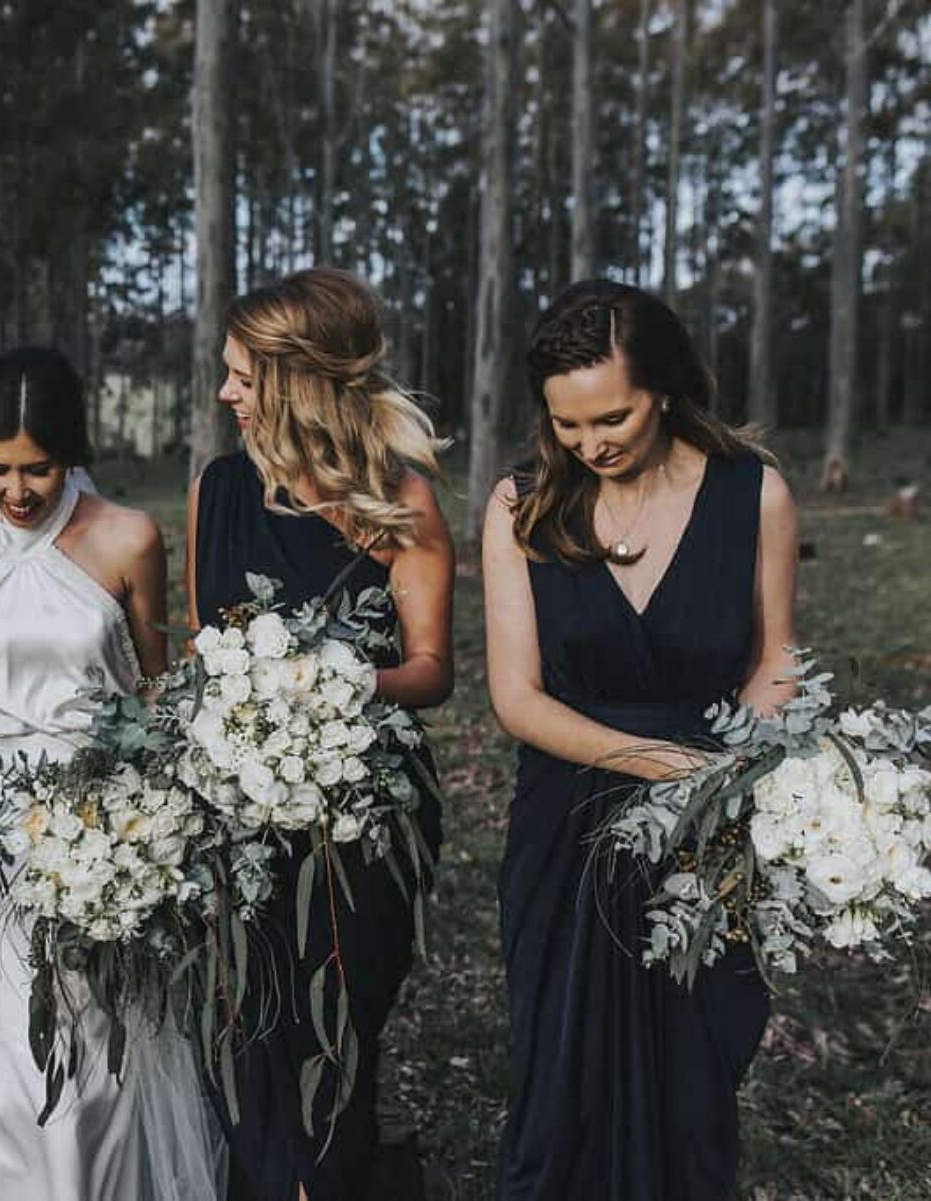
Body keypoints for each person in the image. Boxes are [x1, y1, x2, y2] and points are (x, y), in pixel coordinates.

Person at [482, 279, 797, 1200]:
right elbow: (516, 696)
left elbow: (777, 658)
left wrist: (736, 773)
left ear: (663, 385)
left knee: (693, 1089)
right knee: (559, 1086)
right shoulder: (524, 503)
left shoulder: (755, 494)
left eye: (612, 416)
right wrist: (665, 768)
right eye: (567, 424)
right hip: (566, 830)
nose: (591, 443)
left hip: (710, 824)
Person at [0, 346, 225, 1200]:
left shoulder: (130, 535)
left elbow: (158, 692)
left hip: (99, 817)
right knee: (7, 1019)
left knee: (90, 1018)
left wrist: (152, 831)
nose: (17, 491)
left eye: (38, 468)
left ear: (73, 452)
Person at [188, 267, 453, 1199]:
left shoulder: (398, 499)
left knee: (335, 1035)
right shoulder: (218, 491)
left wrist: (327, 686)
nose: (226, 393)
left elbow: (432, 670)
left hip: (359, 818)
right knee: (245, 1029)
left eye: (241, 376)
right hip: (239, 819)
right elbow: (201, 663)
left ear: (299, 380)